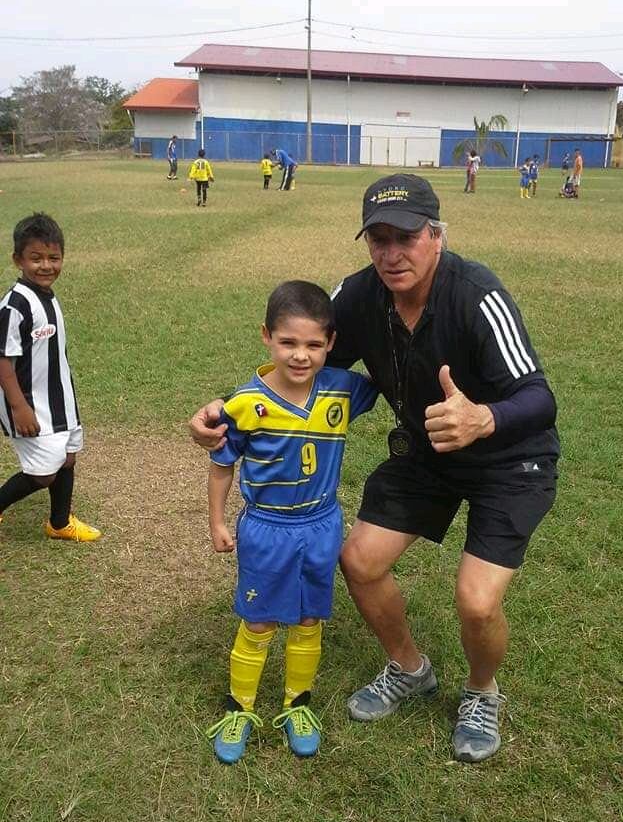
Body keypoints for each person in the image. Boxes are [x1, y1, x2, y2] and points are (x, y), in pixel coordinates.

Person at [191, 174, 559, 764]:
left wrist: (482, 419)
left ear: (436, 236)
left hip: (510, 458)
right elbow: (299, 362)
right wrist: (225, 410)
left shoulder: (477, 295)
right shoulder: (360, 297)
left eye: (406, 237)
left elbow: (540, 397)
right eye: (378, 239)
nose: (391, 254)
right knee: (359, 560)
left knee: (476, 601)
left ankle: (481, 691)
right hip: (428, 453)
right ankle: (409, 668)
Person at [204, 280, 377, 764]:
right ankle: (239, 708)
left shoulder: (342, 389)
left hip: (322, 525)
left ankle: (297, 703)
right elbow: (221, 466)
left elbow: (390, 376)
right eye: (288, 342)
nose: (301, 355)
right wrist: (217, 522)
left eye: (314, 344)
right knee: (258, 620)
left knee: (308, 617)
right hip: (266, 528)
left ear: (331, 343)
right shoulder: (244, 404)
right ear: (267, 337)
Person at [0, 213, 101, 542]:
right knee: (43, 473)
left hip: (59, 399)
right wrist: (19, 407)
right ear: (18, 260)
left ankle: (59, 523)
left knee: (68, 457)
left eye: (53, 258)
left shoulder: (48, 295)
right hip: (28, 403)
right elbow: (3, 360)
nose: (46, 266)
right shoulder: (15, 306)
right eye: (36, 258)